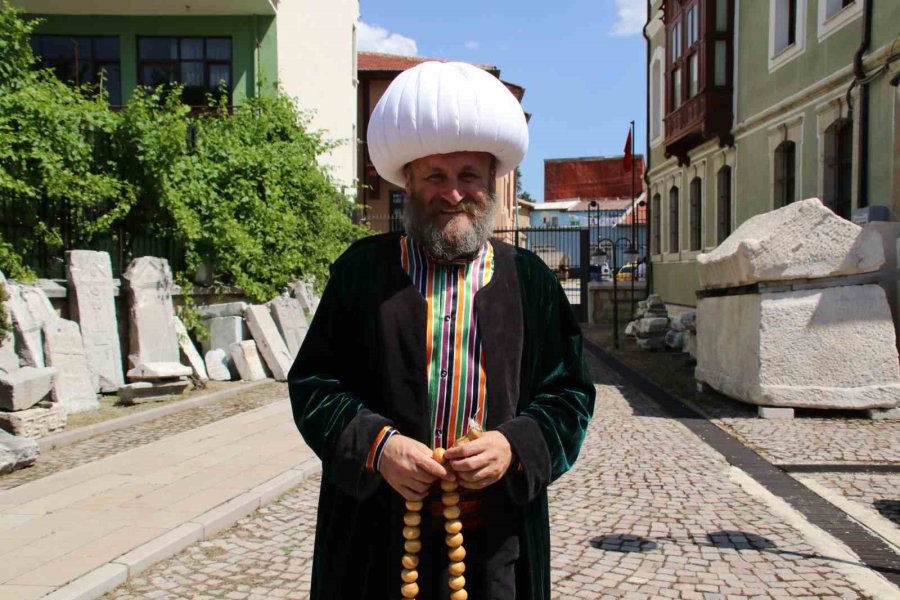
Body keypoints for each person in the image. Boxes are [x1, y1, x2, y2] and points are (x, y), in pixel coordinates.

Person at [288, 61, 595, 600]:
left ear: (492, 182)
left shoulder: (531, 282)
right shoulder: (363, 274)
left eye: (468, 176)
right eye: (435, 176)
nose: (453, 193)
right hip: (375, 537)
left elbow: (569, 393)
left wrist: (514, 444)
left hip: (497, 536)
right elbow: (315, 383)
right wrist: (378, 447)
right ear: (408, 181)